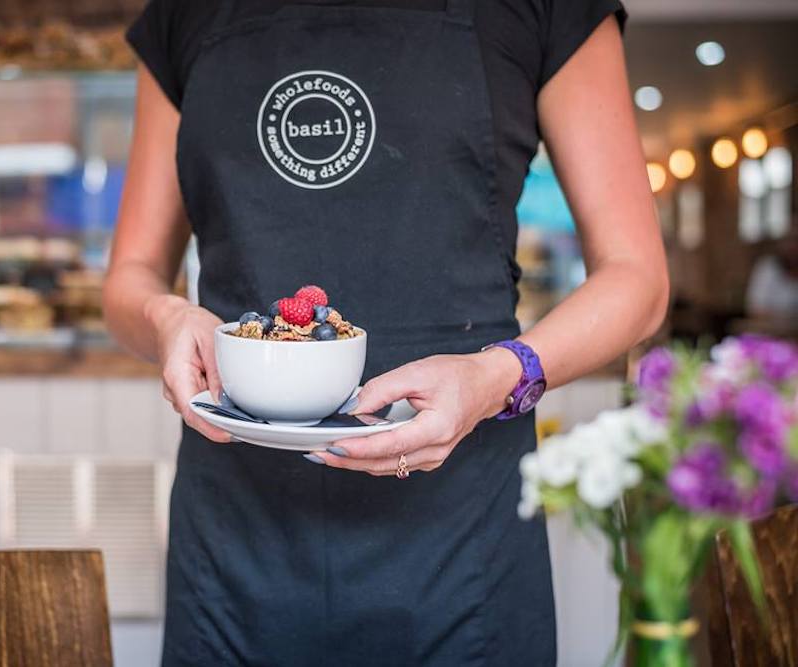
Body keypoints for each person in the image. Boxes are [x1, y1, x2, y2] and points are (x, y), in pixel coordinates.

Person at [104, 0, 668, 664]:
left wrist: (498, 375)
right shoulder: (183, 14)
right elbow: (130, 278)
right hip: (236, 533)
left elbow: (637, 278)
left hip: (460, 535)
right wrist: (166, 317)